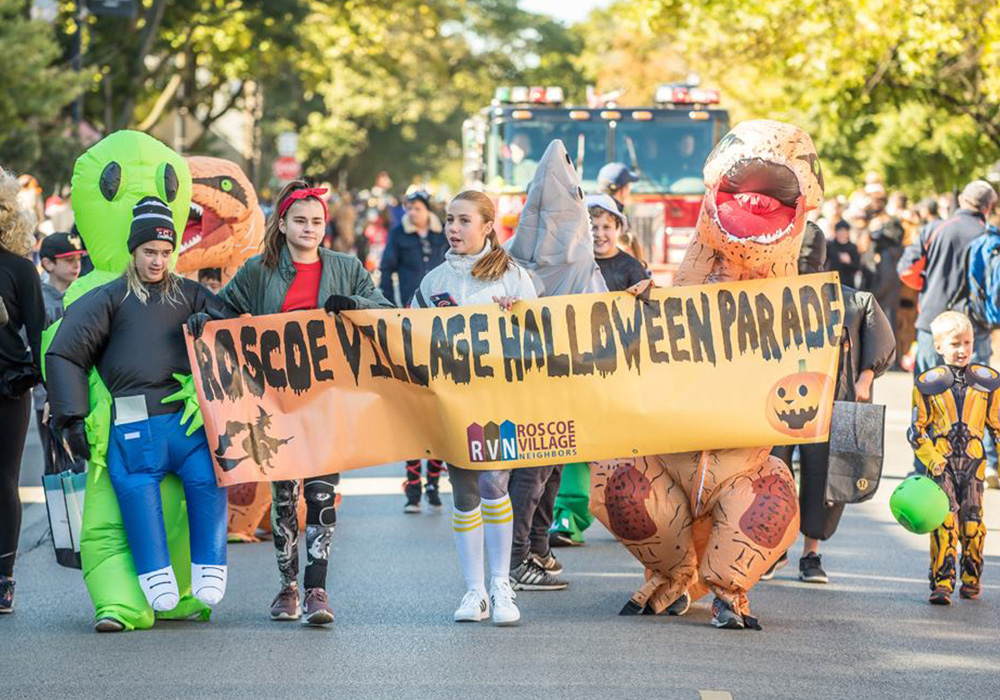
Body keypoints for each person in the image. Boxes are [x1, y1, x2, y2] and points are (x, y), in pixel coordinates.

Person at [190, 181, 392, 626]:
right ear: (282, 224)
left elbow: (385, 310)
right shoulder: (257, 271)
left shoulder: (346, 266)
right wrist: (203, 319)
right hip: (274, 402)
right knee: (284, 498)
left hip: (328, 399)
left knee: (321, 494)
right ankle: (288, 587)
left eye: (317, 222)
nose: (309, 229)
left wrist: (354, 302)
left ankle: (317, 587)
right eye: (300, 221)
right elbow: (224, 313)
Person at [46, 197, 230, 615]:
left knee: (209, 479)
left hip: (187, 423)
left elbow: (240, 334)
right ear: (134, 250)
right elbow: (64, 353)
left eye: (166, 253)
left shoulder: (191, 294)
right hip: (133, 427)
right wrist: (70, 416)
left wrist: (212, 326)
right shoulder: (109, 298)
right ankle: (154, 576)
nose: (158, 261)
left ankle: (210, 566)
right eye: (150, 252)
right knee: (136, 492)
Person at [411, 190, 537, 625]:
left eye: (464, 220)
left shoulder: (514, 276)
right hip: (453, 401)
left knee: (492, 483)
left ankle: (502, 586)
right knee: (463, 489)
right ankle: (474, 592)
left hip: (499, 400)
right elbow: (408, 335)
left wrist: (517, 314)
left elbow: (542, 334)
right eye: (449, 219)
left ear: (487, 227)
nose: (453, 228)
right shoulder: (433, 283)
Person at [767, 232, 895, 584]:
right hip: (778, 403)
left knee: (824, 476)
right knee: (771, 472)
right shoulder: (770, 299)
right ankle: (772, 549)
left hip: (832, 401)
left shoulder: (850, 302)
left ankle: (811, 553)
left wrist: (866, 377)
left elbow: (879, 334)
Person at [548, 194, 647, 549]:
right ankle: (568, 517)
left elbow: (650, 316)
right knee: (575, 443)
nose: (601, 233)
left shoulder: (632, 268)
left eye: (607, 226)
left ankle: (631, 516)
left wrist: (646, 294)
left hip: (618, 371)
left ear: (619, 228)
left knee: (621, 446)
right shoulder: (573, 266)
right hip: (576, 370)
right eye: (594, 227)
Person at [908, 311, 999, 604]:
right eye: (955, 344)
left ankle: (971, 578)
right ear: (938, 347)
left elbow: (997, 426)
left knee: (972, 522)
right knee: (943, 522)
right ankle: (942, 582)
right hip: (942, 464)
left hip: (973, 465)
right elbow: (916, 431)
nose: (962, 350)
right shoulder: (926, 384)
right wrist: (933, 458)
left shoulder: (987, 383)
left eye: (967, 343)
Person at [0, 167, 43, 614]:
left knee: (3, 483)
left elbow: (41, 335)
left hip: (7, 391)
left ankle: (3, 578)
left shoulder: (18, 270)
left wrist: (43, 388)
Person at [34, 232, 87, 474]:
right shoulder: (38, 301)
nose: (76, 264)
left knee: (82, 464)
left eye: (78, 258)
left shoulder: (84, 294)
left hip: (84, 393)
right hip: (50, 396)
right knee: (58, 467)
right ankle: (61, 514)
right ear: (47, 263)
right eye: (68, 259)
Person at [379, 191, 446, 308]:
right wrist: (389, 301)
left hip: (442, 298)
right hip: (411, 299)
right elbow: (386, 267)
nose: (412, 212)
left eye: (417, 209)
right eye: (409, 208)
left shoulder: (443, 231)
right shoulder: (398, 233)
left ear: (427, 210)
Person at [826, 220, 860, 286]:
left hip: (848, 283)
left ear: (848, 233)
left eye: (844, 232)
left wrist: (849, 262)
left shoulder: (852, 247)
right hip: (832, 281)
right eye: (840, 232)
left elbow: (856, 267)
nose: (842, 234)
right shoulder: (830, 246)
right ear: (836, 233)